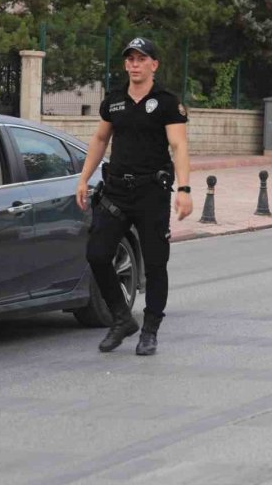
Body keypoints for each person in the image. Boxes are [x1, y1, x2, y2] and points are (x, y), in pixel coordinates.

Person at [75, 37, 193, 356]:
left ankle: (150, 328)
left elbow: (179, 146)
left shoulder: (166, 102)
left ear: (154, 64)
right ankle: (122, 318)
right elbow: (100, 138)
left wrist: (183, 189)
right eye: (130, 59)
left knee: (156, 263)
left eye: (141, 59)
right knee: (97, 253)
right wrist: (84, 179)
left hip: (151, 191)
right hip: (116, 190)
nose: (134, 64)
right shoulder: (114, 100)